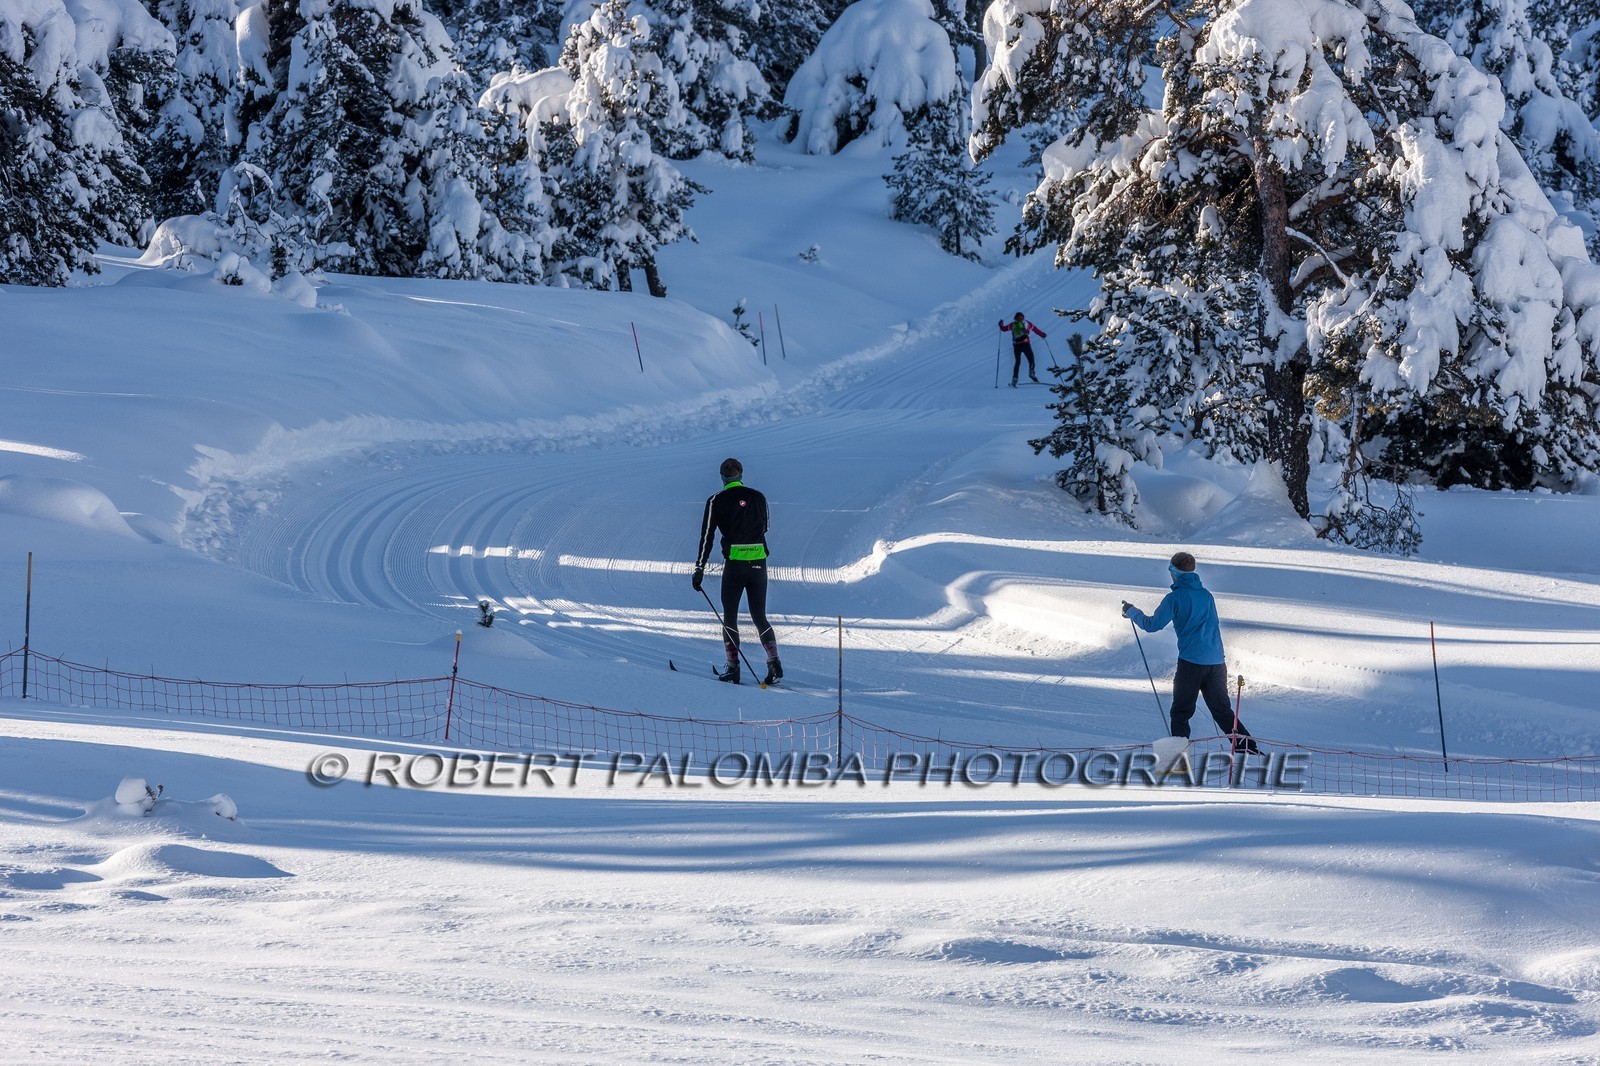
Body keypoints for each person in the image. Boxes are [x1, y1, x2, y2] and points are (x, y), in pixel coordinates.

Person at [1121, 551, 1261, 754]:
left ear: (1174, 571)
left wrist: (1132, 611)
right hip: (1216, 662)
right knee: (1222, 711)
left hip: (1192, 664)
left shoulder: (1174, 598)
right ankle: (1250, 750)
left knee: (1181, 711)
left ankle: (1177, 757)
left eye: (1170, 570)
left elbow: (1152, 625)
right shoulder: (1207, 595)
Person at [693, 457, 781, 685]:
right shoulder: (759, 497)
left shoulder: (715, 501)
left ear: (722, 477)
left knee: (729, 618)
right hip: (758, 563)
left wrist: (699, 567)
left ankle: (733, 667)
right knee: (759, 617)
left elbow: (707, 537)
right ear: (741, 475)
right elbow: (766, 527)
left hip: (735, 565)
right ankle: (773, 660)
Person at [998, 312, 1046, 387]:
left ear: (1015, 318)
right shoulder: (1027, 323)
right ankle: (1031, 373)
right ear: (1023, 317)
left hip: (1016, 345)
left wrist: (1000, 324)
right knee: (1031, 360)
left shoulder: (1012, 325)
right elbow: (1036, 330)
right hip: (1025, 344)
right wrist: (1042, 334)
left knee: (1017, 362)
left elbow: (1003, 329)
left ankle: (1014, 381)